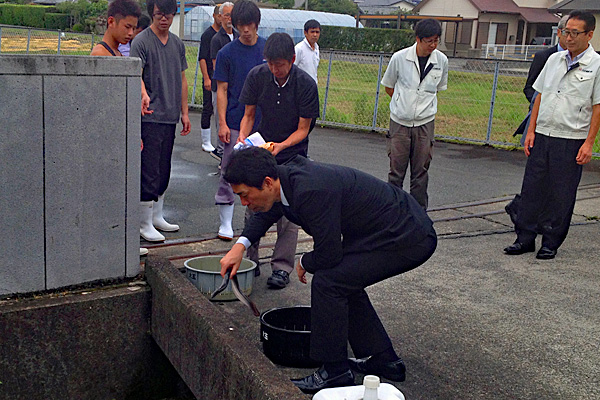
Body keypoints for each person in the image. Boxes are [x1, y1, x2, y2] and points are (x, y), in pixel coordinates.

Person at [220, 148, 437, 394]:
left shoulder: (310, 190)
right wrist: (240, 246)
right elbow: (268, 211)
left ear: (267, 183)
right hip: (385, 231)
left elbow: (329, 252)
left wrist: (304, 262)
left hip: (407, 236)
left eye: (245, 195)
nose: (244, 203)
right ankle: (384, 361)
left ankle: (335, 371)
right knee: (343, 281)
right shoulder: (285, 182)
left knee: (329, 282)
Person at [504, 10, 600, 260]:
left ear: (589, 35)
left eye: (574, 33)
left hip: (570, 138)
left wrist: (589, 143)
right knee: (532, 188)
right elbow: (539, 97)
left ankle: (551, 241)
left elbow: (598, 107)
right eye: (566, 32)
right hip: (543, 134)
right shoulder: (554, 60)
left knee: (561, 193)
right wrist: (530, 131)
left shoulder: (596, 66)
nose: (568, 38)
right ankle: (524, 238)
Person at [236, 32, 319, 288]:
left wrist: (282, 146)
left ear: (292, 60)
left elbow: (303, 128)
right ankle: (249, 261)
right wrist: (242, 138)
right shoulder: (258, 76)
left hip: (293, 154)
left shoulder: (305, 84)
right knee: (253, 203)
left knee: (288, 212)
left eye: (280, 64)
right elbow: (249, 114)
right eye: (270, 63)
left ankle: (282, 267)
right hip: (262, 149)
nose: (275, 69)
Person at [130, 0, 191, 242]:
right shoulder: (141, 42)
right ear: (151, 14)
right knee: (149, 168)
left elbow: (183, 79)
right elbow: (137, 74)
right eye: (158, 15)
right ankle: (143, 222)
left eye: (167, 15)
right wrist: (144, 94)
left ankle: (157, 214)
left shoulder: (177, 44)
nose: (163, 19)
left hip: (170, 115)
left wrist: (185, 112)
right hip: (150, 116)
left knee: (164, 166)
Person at [380, 18, 448, 210]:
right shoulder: (400, 58)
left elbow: (438, 89)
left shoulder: (441, 61)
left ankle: (419, 215)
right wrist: (404, 104)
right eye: (429, 41)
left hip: (425, 123)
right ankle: (392, 213)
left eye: (436, 40)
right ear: (418, 39)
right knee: (396, 172)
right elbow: (389, 87)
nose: (433, 45)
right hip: (400, 122)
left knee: (421, 173)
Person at [212, 0, 265, 241]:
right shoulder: (226, 53)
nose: (246, 30)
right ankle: (225, 223)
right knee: (229, 170)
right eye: (241, 25)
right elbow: (221, 90)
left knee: (261, 174)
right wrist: (222, 123)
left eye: (250, 25)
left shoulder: (267, 50)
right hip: (234, 120)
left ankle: (256, 223)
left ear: (257, 24)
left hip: (264, 124)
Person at [209, 2, 238, 163]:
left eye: (231, 15)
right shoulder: (216, 39)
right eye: (226, 15)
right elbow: (215, 66)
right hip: (220, 86)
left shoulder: (239, 35)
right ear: (220, 17)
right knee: (221, 117)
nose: (229, 19)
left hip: (236, 87)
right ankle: (221, 153)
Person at [197, 5, 221, 154]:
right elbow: (202, 58)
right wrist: (206, 77)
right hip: (210, 76)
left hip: (222, 79)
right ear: (214, 16)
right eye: (220, 15)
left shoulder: (230, 34)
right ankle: (205, 141)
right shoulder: (208, 35)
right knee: (208, 108)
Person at [294, 19, 320, 83]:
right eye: (312, 32)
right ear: (305, 33)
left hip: (313, 86)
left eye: (317, 32)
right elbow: (292, 69)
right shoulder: (299, 48)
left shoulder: (316, 48)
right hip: (301, 87)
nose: (315, 35)